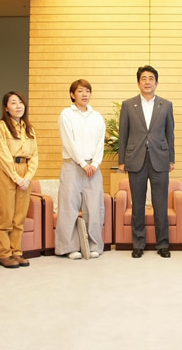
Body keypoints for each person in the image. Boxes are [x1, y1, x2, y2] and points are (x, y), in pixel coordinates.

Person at [119, 65, 175, 258]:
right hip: (136, 159)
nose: (147, 82)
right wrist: (122, 160)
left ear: (156, 83)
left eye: (151, 78)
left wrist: (171, 158)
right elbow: (123, 134)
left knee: (161, 204)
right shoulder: (128, 105)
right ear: (138, 83)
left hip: (160, 159)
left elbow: (170, 134)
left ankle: (163, 244)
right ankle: (138, 244)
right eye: (143, 78)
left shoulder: (166, 105)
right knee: (138, 205)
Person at [56, 79, 106, 259]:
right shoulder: (66, 114)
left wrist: (95, 163)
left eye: (87, 91)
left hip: (93, 168)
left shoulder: (97, 117)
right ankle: (69, 248)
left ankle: (94, 246)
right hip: (73, 166)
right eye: (80, 91)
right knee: (68, 207)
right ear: (72, 94)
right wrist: (83, 164)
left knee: (94, 208)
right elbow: (68, 142)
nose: (84, 94)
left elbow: (100, 142)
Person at [0, 91, 38, 268]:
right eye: (13, 103)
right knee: (5, 216)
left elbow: (35, 156)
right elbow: (2, 155)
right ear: (6, 108)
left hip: (25, 173)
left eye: (20, 102)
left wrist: (28, 177)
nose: (18, 106)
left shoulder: (29, 129)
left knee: (19, 217)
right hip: (5, 173)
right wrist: (16, 177)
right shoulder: (0, 127)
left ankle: (16, 252)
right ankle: (4, 254)